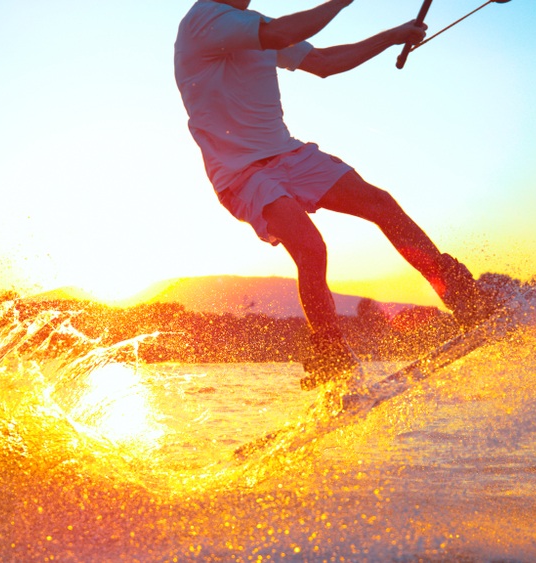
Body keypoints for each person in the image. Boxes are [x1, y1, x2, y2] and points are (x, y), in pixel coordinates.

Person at [174, 0, 497, 391]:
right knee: (310, 247)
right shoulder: (205, 21)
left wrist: (393, 35)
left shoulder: (251, 25)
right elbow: (281, 34)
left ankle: (463, 297)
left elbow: (325, 63)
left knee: (381, 205)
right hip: (241, 174)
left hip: (289, 154)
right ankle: (328, 352)